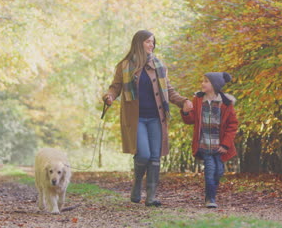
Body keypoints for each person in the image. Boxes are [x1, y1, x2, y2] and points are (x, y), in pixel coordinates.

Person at [102, 30, 192, 206]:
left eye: (153, 42)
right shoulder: (125, 65)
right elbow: (115, 87)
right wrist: (110, 96)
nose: (151, 45)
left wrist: (183, 102)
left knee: (155, 157)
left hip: (156, 118)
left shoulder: (159, 66)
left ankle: (151, 196)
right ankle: (137, 184)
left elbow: (169, 91)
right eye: (148, 42)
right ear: (139, 43)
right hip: (136, 119)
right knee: (143, 154)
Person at [181, 72, 238, 208]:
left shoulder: (225, 103)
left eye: (206, 81)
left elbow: (232, 125)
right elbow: (190, 120)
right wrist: (185, 112)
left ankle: (211, 193)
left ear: (215, 85)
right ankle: (210, 198)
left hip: (219, 146)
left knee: (218, 171)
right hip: (204, 144)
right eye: (202, 81)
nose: (202, 83)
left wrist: (225, 144)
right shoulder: (198, 100)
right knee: (210, 169)